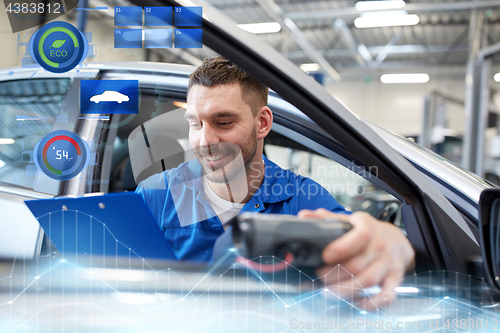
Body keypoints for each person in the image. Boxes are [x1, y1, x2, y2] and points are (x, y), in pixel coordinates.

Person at [136, 56, 415, 309]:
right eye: (196, 124)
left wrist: (392, 241)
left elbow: (359, 241)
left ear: (263, 123)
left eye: (223, 123)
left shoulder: (300, 198)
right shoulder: (155, 195)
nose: (204, 141)